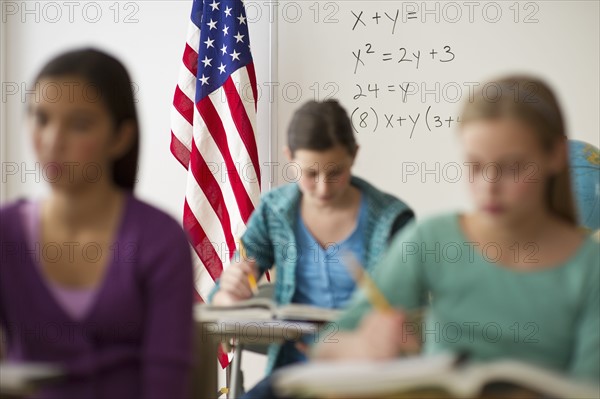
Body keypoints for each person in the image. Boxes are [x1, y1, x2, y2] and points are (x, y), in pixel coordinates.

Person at [313, 76, 600, 385]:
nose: (488, 187)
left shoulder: (590, 267)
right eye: (474, 166)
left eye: (511, 167)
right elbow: (327, 344)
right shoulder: (431, 239)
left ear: (555, 155)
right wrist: (363, 347)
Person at [0, 48, 195, 399]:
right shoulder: (6, 232)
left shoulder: (160, 240)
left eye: (79, 124)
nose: (52, 141)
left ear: (120, 137)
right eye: (41, 118)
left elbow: (165, 383)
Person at [210, 100, 414, 391]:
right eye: (310, 174)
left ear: (354, 155)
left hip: (369, 374)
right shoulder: (275, 212)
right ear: (289, 157)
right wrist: (228, 297)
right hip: (294, 373)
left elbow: (411, 315)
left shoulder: (392, 221)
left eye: (335, 173)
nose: (323, 188)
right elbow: (228, 286)